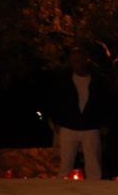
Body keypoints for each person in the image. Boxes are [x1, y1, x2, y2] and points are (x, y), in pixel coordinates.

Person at [48, 46, 112, 179]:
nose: (76, 64)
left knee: (93, 164)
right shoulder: (63, 80)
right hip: (68, 125)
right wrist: (57, 121)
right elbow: (54, 100)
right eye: (73, 61)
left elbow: (107, 103)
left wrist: (104, 123)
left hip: (91, 125)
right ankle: (63, 188)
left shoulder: (99, 80)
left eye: (78, 60)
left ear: (85, 60)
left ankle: (95, 187)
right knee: (65, 164)